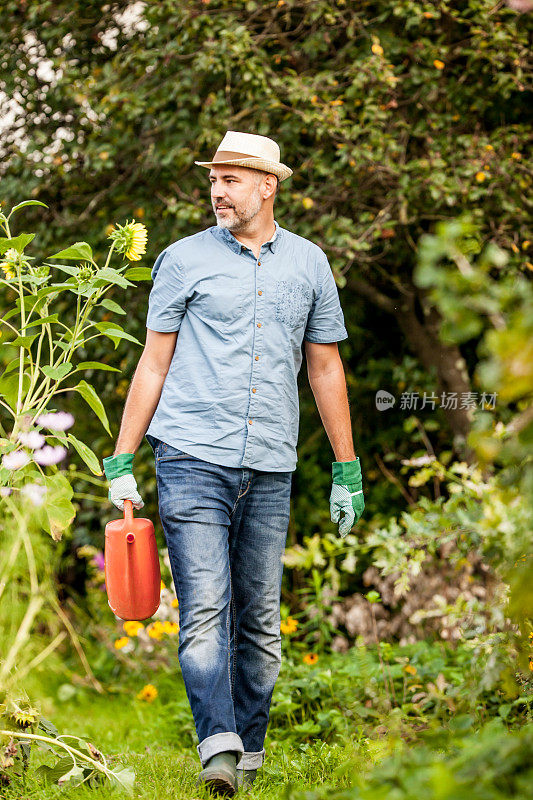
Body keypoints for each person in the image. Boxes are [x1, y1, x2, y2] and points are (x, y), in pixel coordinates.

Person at [103, 130, 365, 796]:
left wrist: (347, 468)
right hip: (191, 455)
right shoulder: (181, 260)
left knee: (258, 622)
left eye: (231, 180)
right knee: (203, 611)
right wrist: (121, 460)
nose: (217, 191)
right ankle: (216, 745)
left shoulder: (308, 265)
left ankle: (246, 756)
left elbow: (325, 366)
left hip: (271, 463)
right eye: (213, 180)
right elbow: (153, 361)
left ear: (266, 186)